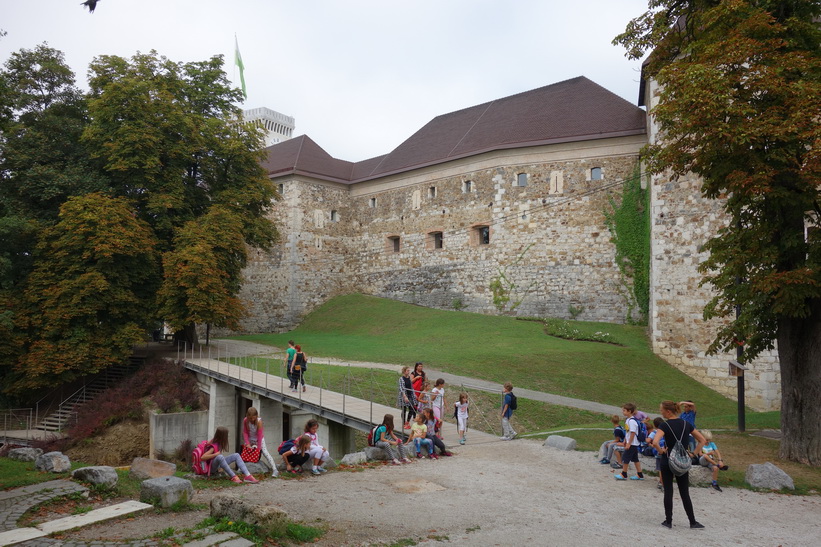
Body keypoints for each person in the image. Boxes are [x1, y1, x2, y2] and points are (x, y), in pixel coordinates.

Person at [653, 400, 707, 530]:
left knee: (668, 491)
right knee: (684, 492)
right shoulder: (686, 424)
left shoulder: (664, 426)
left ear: (668, 411)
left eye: (662, 410)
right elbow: (702, 440)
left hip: (668, 460)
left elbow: (655, 442)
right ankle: (692, 522)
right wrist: (693, 454)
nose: (661, 412)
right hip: (682, 460)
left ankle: (668, 521)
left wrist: (661, 451)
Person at [242, 407, 278, 477]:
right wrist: (248, 443)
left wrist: (258, 448)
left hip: (259, 439)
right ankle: (243, 469)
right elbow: (245, 432)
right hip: (250, 438)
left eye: (253, 418)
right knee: (246, 451)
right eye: (250, 418)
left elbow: (259, 435)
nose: (252, 420)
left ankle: (275, 469)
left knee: (265, 452)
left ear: (256, 416)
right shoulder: (245, 420)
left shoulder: (259, 422)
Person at [615, 402, 645, 481]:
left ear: (629, 411)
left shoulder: (632, 421)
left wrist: (629, 443)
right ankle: (640, 474)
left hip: (632, 443)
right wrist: (625, 440)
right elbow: (627, 432)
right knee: (635, 459)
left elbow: (633, 433)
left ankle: (624, 474)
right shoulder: (628, 420)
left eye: (624, 410)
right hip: (631, 443)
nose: (623, 412)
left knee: (625, 458)